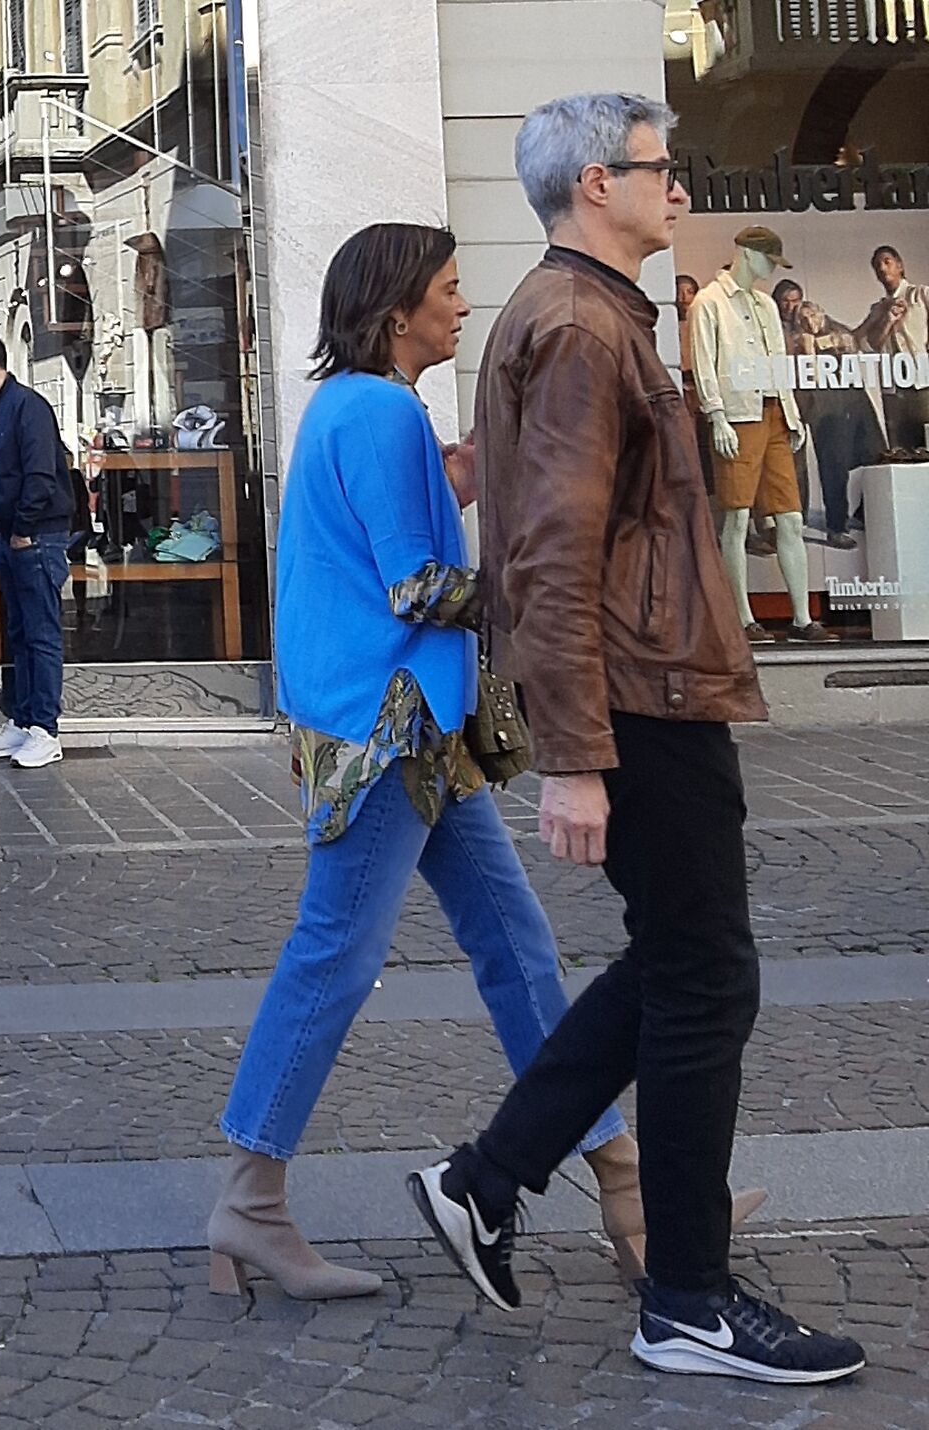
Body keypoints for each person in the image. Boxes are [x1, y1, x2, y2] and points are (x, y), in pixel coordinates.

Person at [407, 92, 864, 1385]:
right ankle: (687, 1299)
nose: (682, 190)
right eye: (664, 169)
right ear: (596, 182)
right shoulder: (574, 324)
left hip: (654, 688)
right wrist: (575, 753)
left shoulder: (594, 314)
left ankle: (488, 1178)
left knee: (682, 961)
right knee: (707, 975)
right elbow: (553, 554)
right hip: (640, 699)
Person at [210, 222, 642, 1302]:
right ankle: (249, 1202)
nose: (462, 304)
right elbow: (413, 588)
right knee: (338, 957)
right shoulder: (379, 410)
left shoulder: (355, 406)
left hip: (404, 726)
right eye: (448, 289)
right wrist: (541, 590)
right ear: (397, 309)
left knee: (515, 943)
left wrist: (464, 477)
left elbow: (382, 553)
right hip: (390, 728)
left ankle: (629, 1186)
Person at [0, 332, 69, 770]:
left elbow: (40, 474)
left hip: (35, 537)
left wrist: (22, 528)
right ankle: (23, 720)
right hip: (10, 535)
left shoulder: (28, 408)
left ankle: (45, 729)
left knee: (41, 633)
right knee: (19, 632)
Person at [794, 301, 884, 551]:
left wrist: (825, 343)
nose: (809, 321)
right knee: (834, 468)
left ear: (821, 313)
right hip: (824, 409)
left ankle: (866, 512)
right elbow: (808, 372)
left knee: (877, 455)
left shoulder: (838, 329)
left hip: (854, 402)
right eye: (803, 318)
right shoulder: (798, 340)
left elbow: (851, 342)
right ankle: (837, 527)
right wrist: (810, 349)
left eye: (812, 315)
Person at [858, 244, 927, 450]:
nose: (882, 268)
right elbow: (869, 344)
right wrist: (887, 319)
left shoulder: (920, 294)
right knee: (901, 450)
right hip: (894, 388)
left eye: (887, 262)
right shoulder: (878, 309)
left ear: (900, 266)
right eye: (877, 265)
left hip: (923, 383)